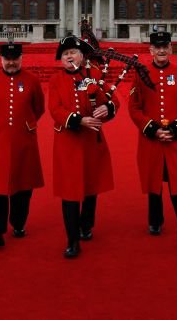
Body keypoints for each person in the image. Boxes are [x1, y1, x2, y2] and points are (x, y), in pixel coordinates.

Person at [128, 31, 177, 245]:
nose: (161, 50)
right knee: (154, 183)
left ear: (170, 49)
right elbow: (134, 108)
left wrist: (176, 128)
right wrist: (151, 128)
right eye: (157, 47)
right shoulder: (141, 74)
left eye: (165, 46)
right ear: (150, 50)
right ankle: (155, 219)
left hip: (175, 140)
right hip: (152, 139)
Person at [48, 35, 116, 258]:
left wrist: (108, 108)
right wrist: (78, 120)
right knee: (69, 191)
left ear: (82, 56)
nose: (69, 57)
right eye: (65, 54)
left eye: (73, 53)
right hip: (68, 142)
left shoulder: (94, 75)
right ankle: (72, 240)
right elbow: (55, 110)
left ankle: (86, 225)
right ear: (61, 59)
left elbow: (113, 99)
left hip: (91, 142)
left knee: (90, 187)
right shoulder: (56, 81)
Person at [0, 42, 45, 247]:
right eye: (7, 59)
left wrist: (25, 123)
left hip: (24, 140)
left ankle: (18, 224)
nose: (11, 63)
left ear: (21, 58)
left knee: (23, 186)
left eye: (15, 59)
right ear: (1, 60)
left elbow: (39, 108)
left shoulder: (32, 80)